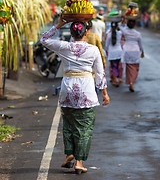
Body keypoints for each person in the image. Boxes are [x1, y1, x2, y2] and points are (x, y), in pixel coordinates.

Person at [40, 14, 110, 174]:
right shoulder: (93, 50)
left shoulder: (64, 47)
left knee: (69, 125)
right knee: (84, 127)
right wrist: (104, 93)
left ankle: (69, 153)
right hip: (86, 90)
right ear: (86, 33)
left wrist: (58, 25)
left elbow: (44, 40)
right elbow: (100, 74)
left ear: (72, 34)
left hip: (67, 90)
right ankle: (79, 162)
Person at [119, 18, 144, 92]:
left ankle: (130, 81)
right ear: (135, 25)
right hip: (136, 51)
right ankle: (132, 82)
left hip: (127, 51)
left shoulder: (125, 32)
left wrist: (123, 20)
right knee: (136, 68)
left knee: (129, 68)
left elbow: (120, 26)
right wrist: (142, 52)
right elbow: (140, 44)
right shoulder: (138, 34)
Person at [105, 22, 123, 86]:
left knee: (113, 66)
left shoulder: (109, 34)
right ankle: (116, 79)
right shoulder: (119, 33)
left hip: (111, 52)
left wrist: (106, 50)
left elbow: (106, 44)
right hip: (119, 51)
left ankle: (115, 80)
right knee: (117, 65)